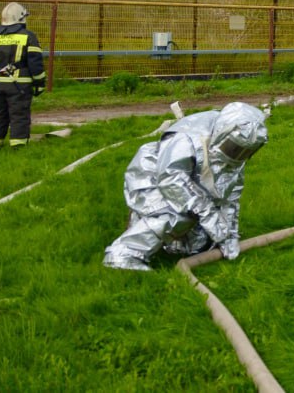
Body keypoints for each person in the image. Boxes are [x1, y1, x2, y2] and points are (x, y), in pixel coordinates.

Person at [103, 102, 268, 271]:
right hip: (153, 178)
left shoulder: (237, 150)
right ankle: (123, 254)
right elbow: (171, 179)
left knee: (199, 243)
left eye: (245, 151)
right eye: (234, 148)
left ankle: (149, 229)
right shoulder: (187, 137)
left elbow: (230, 196)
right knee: (177, 215)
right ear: (223, 133)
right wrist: (208, 213)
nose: (239, 154)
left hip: (189, 181)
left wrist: (229, 234)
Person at [0, 2, 47, 150]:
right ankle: (18, 145)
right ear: (21, 18)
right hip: (18, 84)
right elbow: (35, 64)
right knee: (19, 114)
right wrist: (39, 84)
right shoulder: (28, 37)